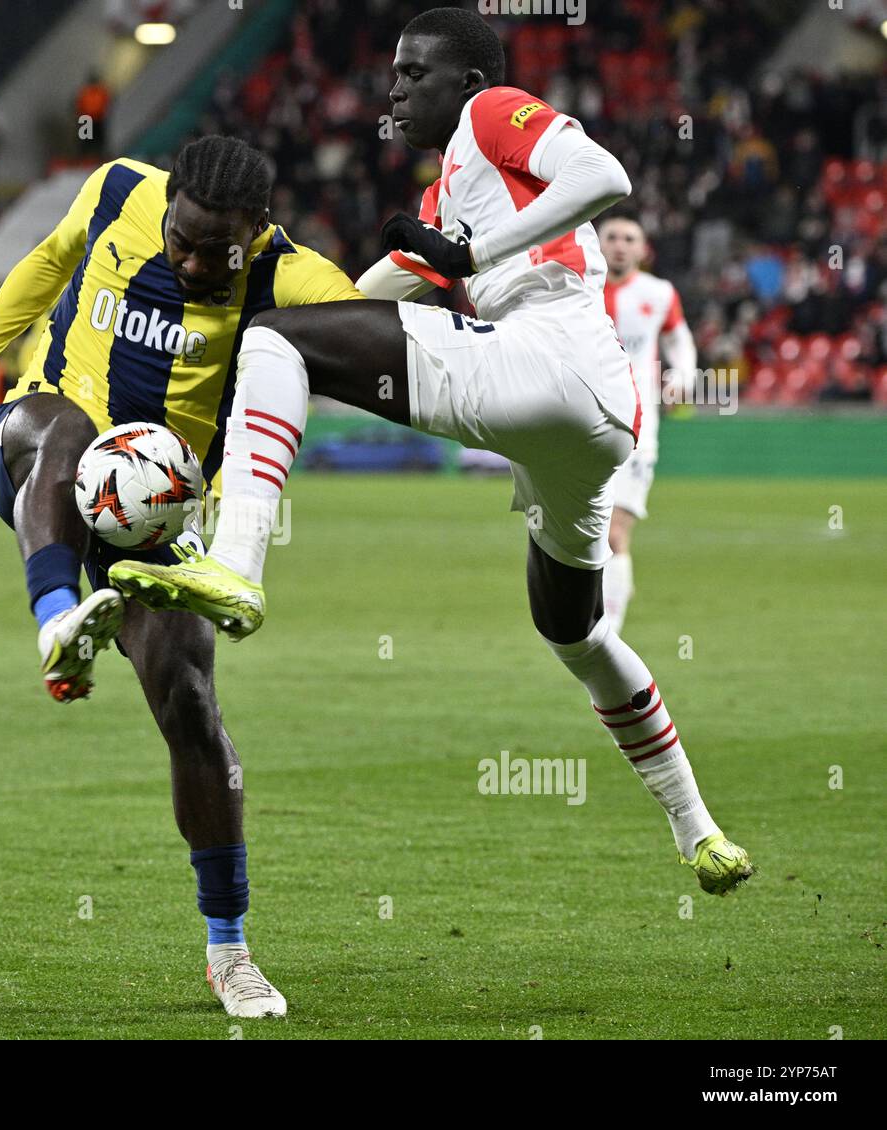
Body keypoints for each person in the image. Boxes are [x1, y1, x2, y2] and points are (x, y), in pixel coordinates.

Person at [109, 8, 754, 954]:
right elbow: (369, 298)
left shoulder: (495, 110)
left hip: (548, 362)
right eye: (395, 72)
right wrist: (341, 290)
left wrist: (470, 258)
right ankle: (699, 831)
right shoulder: (459, 186)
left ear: (465, 80)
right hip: (588, 422)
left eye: (415, 72)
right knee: (574, 631)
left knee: (277, 345)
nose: (396, 87)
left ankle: (238, 564)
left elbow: (604, 177)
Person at [0, 136, 367, 1018]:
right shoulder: (118, 188)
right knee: (66, 428)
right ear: (166, 210)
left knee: (191, 705)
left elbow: (367, 319)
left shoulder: (288, 276)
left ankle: (229, 949)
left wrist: (440, 264)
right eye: (182, 240)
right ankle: (57, 616)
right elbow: (47, 265)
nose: (194, 260)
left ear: (259, 231)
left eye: (217, 252)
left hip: (154, 521)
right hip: (37, 453)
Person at [598, 213, 698, 633]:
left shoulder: (658, 293)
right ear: (598, 244)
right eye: (612, 237)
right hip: (582, 424)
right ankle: (611, 594)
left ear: (643, 249)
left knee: (616, 531)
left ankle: (609, 633)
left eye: (629, 238)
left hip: (638, 428)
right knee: (590, 533)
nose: (620, 244)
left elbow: (679, 339)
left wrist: (685, 376)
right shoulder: (575, 289)